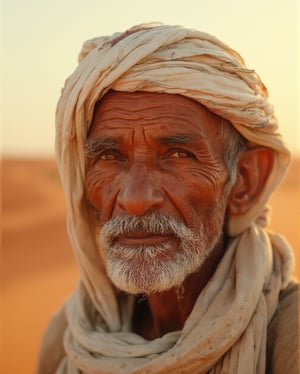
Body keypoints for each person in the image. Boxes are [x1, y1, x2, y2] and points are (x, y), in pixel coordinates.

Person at [37, 24, 299, 374]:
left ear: (245, 182)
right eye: (109, 158)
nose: (135, 200)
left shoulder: (287, 336)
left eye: (177, 155)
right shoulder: (69, 339)